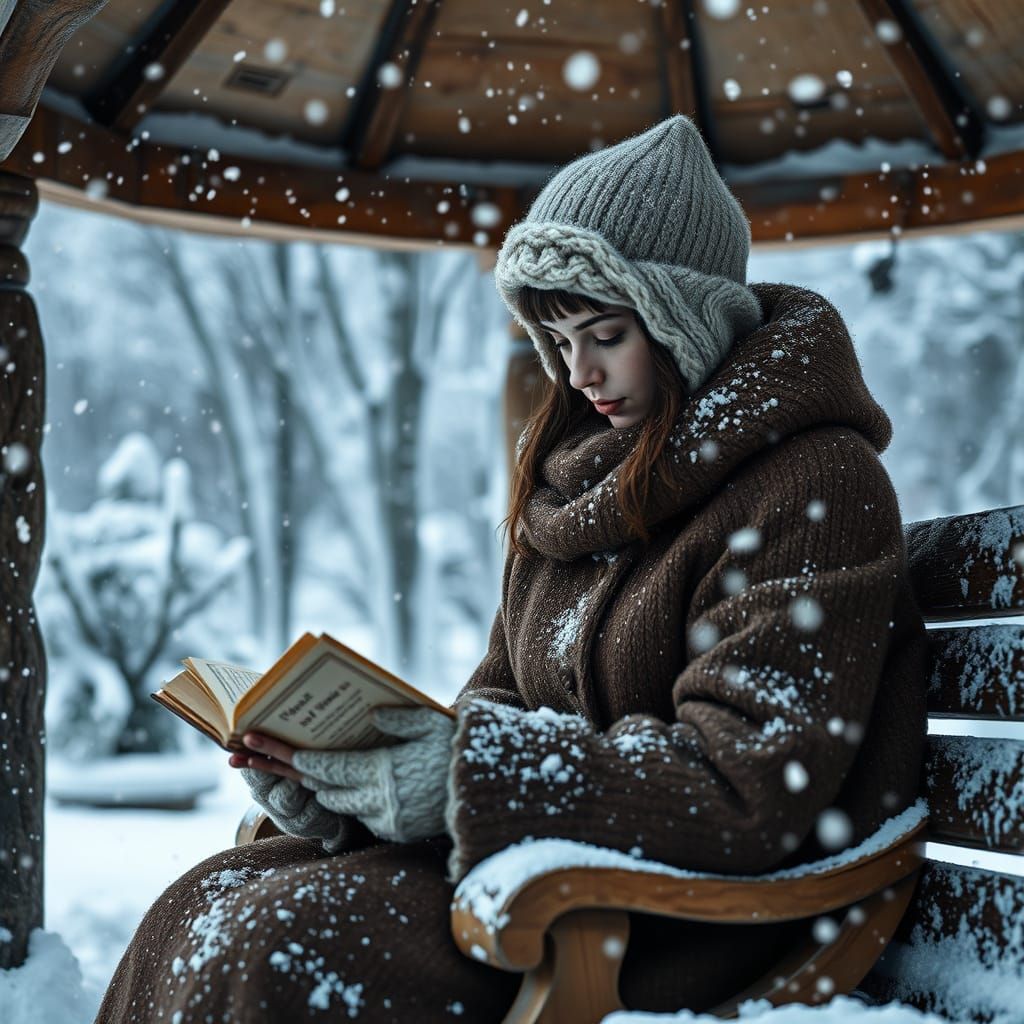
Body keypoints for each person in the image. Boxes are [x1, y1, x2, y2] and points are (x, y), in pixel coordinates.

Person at [94, 115, 926, 1023]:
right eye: (561, 342)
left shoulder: (815, 485)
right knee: (200, 903)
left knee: (277, 942)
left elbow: (746, 785)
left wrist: (469, 778)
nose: (581, 376)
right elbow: (492, 712)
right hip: (544, 865)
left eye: (606, 333)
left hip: (677, 914)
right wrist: (343, 786)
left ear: (685, 319)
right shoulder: (577, 495)